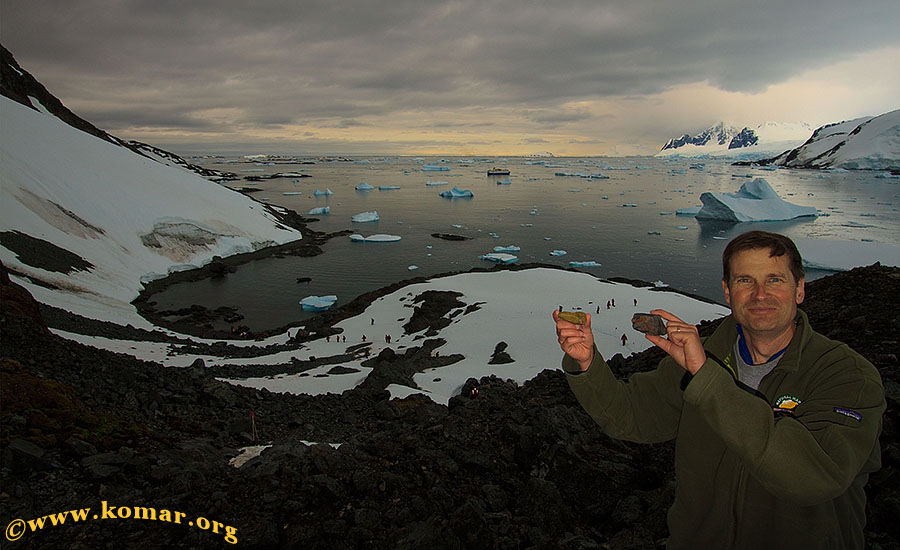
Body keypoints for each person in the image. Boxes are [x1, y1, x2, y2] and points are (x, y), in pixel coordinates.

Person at [553, 230, 884, 549]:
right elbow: (630, 416)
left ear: (799, 289)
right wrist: (587, 364)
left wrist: (705, 377)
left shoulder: (847, 375)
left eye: (775, 279)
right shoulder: (702, 357)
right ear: (727, 292)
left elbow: (815, 477)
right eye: (745, 281)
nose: (760, 294)